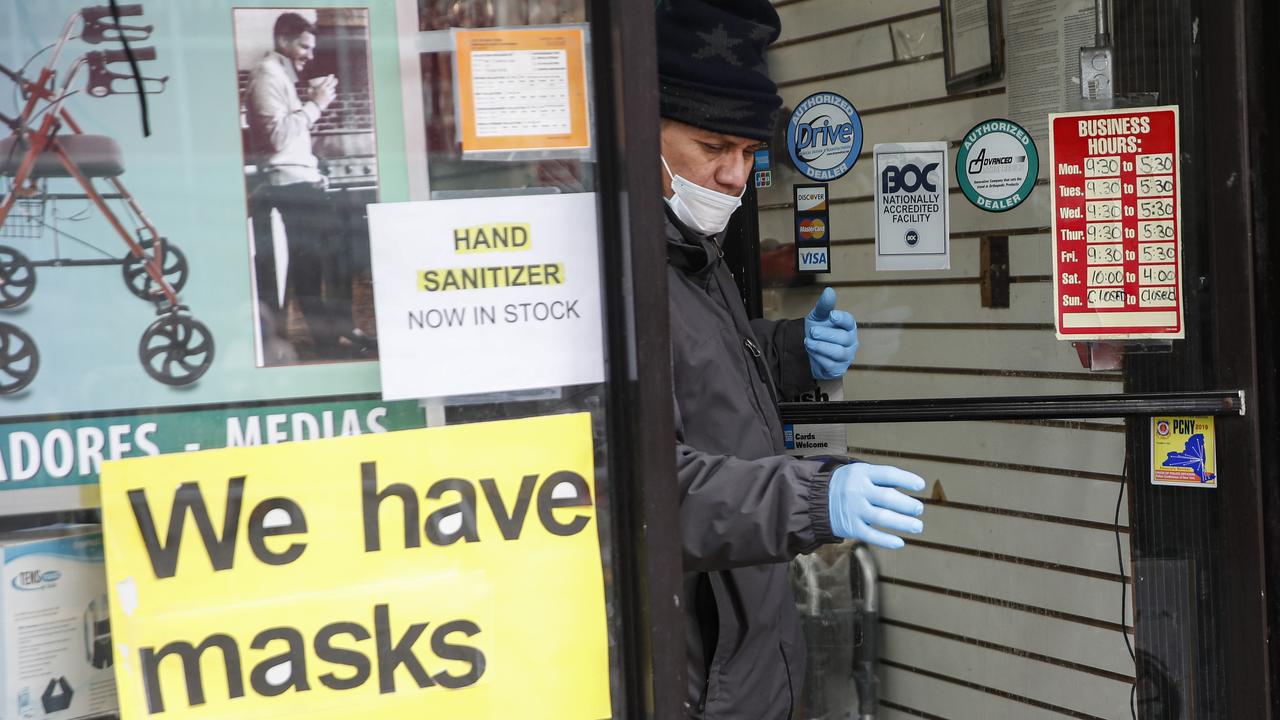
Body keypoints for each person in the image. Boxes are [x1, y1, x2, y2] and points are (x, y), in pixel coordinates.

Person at [655, 1, 929, 717]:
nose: (732, 176)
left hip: (749, 652)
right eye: (712, 146)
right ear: (637, 135)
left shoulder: (689, 252)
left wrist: (790, 350)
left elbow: (700, 374)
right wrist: (813, 498)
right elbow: (648, 488)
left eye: (748, 153)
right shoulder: (618, 269)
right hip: (693, 665)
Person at [244, 11, 374, 359]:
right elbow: (276, 137)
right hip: (287, 188)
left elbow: (289, 134)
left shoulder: (282, 77)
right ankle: (327, 343)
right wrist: (316, 104)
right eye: (304, 46)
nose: (310, 55)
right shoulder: (265, 76)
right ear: (283, 41)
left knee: (333, 261)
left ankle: (340, 331)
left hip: (302, 184)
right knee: (308, 270)